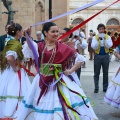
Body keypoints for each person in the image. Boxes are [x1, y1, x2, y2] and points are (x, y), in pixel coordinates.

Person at [15, 22, 98, 120]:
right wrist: (27, 35)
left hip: (59, 81)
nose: (56, 34)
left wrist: (70, 71)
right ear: (45, 33)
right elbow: (31, 46)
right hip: (42, 80)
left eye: (57, 31)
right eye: (53, 31)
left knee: (59, 104)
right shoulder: (40, 46)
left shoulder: (62, 47)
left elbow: (80, 59)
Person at [0, 21, 31, 119]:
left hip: (6, 72)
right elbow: (10, 57)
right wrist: (15, 67)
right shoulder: (15, 43)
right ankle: (14, 115)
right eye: (21, 31)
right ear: (18, 32)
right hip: (14, 73)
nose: (22, 33)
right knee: (15, 92)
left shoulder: (9, 41)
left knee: (7, 92)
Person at [91, 23, 113, 93]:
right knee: (96, 72)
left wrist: (104, 39)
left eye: (102, 29)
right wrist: (98, 40)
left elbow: (109, 45)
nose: (101, 30)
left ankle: (105, 87)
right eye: (100, 29)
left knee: (105, 72)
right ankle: (96, 87)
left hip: (106, 55)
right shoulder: (95, 37)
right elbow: (93, 47)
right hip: (97, 55)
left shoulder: (108, 37)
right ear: (98, 30)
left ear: (104, 30)